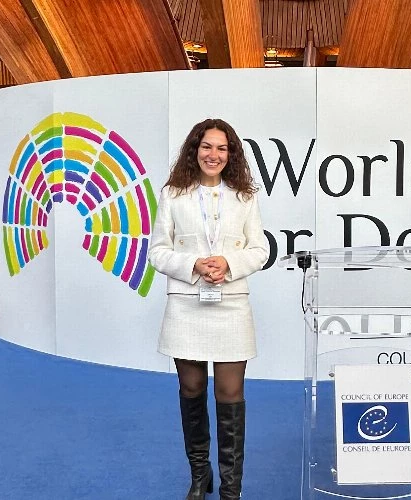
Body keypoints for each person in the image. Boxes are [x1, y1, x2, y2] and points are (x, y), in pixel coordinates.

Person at [148, 118, 268, 500]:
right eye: (206, 146)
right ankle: (200, 476)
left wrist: (228, 263)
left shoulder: (245, 197)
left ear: (231, 154)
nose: (213, 154)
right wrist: (193, 264)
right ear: (194, 150)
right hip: (186, 304)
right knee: (191, 387)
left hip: (231, 305)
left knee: (230, 393)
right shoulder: (173, 194)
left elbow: (260, 250)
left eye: (221, 148)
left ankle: (232, 490)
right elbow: (157, 252)